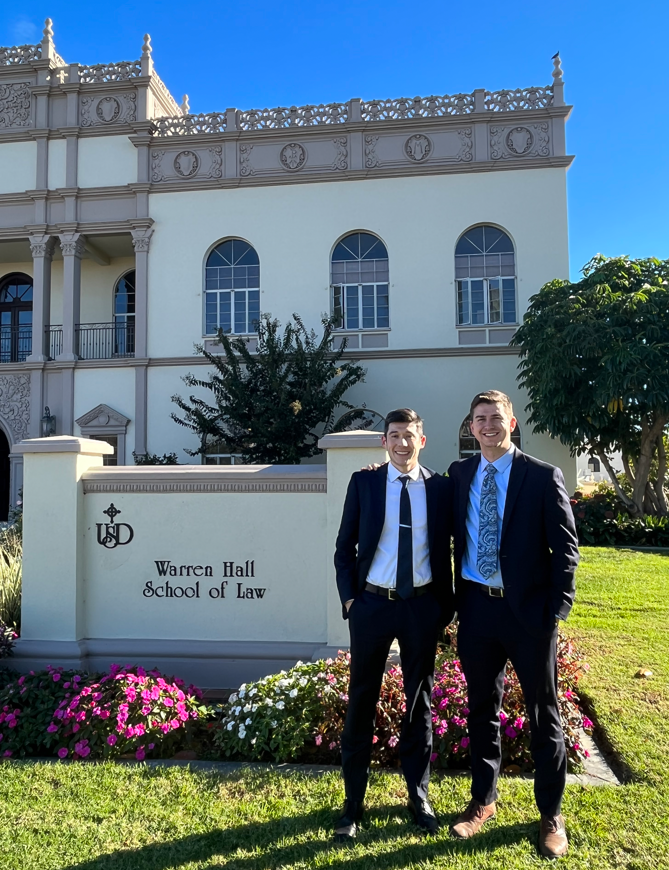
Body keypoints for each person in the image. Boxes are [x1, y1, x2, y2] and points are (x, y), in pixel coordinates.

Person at [447, 390, 579, 859]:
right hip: (478, 611)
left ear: (512, 421)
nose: (487, 426)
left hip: (528, 615)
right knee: (482, 709)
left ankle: (551, 814)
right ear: (470, 426)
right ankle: (483, 801)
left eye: (495, 418)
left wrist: (555, 611)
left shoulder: (542, 476)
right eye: (479, 419)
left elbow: (566, 549)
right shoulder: (459, 474)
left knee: (545, 715)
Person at [333, 408, 454, 841]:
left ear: (423, 440)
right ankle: (353, 803)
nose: (403, 443)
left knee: (418, 702)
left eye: (410, 436)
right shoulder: (364, 482)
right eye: (395, 435)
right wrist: (351, 600)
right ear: (384, 441)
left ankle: (418, 796)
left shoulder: (441, 488)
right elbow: (344, 547)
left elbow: (452, 547)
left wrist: (444, 606)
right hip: (372, 606)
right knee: (361, 698)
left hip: (421, 606)